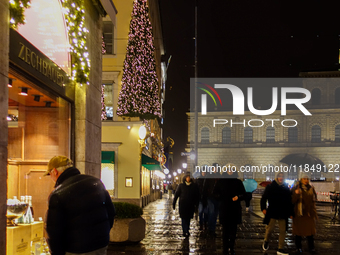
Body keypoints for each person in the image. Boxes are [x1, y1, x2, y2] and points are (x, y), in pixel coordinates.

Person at [44, 156, 115, 255]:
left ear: (55, 171)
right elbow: (111, 212)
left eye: (49, 174)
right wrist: (103, 234)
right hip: (100, 245)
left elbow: (54, 231)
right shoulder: (96, 182)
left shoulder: (57, 194)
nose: (51, 178)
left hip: (76, 249)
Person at [215, 167, 245, 255]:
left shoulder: (238, 182)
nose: (230, 172)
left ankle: (231, 247)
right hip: (225, 208)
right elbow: (215, 193)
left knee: (233, 231)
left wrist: (238, 197)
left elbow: (243, 194)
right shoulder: (220, 182)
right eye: (228, 170)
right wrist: (220, 197)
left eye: (231, 170)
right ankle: (225, 248)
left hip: (235, 209)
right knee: (225, 231)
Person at [260, 172, 293, 255]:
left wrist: (291, 212)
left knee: (283, 230)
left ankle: (280, 248)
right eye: (279, 176)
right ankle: (266, 241)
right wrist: (263, 208)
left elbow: (289, 202)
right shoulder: (271, 187)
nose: (281, 178)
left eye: (282, 177)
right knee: (270, 229)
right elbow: (264, 198)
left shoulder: (286, 188)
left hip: (283, 212)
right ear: (277, 178)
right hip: (272, 211)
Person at [291, 172, 317, 253]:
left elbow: (314, 200)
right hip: (299, 213)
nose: (306, 180)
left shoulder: (311, 188)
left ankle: (311, 247)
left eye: (307, 179)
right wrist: (296, 194)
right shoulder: (296, 188)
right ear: (301, 179)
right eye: (304, 178)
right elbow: (292, 201)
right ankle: (298, 248)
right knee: (298, 233)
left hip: (308, 213)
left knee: (310, 232)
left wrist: (313, 212)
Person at [173, 172, 200, 238]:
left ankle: (187, 229)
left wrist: (196, 204)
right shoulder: (181, 186)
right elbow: (176, 195)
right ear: (185, 178)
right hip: (183, 205)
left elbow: (196, 196)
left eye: (189, 177)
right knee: (183, 218)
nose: (188, 178)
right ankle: (185, 231)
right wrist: (174, 203)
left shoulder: (194, 186)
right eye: (187, 177)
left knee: (188, 219)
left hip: (190, 205)